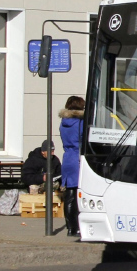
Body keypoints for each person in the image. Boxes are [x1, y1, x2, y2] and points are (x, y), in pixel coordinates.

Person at [59, 96, 85, 237]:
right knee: (77, 194)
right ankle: (76, 226)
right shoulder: (80, 123)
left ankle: (70, 226)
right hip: (77, 158)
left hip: (67, 158)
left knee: (69, 194)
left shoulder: (64, 122)